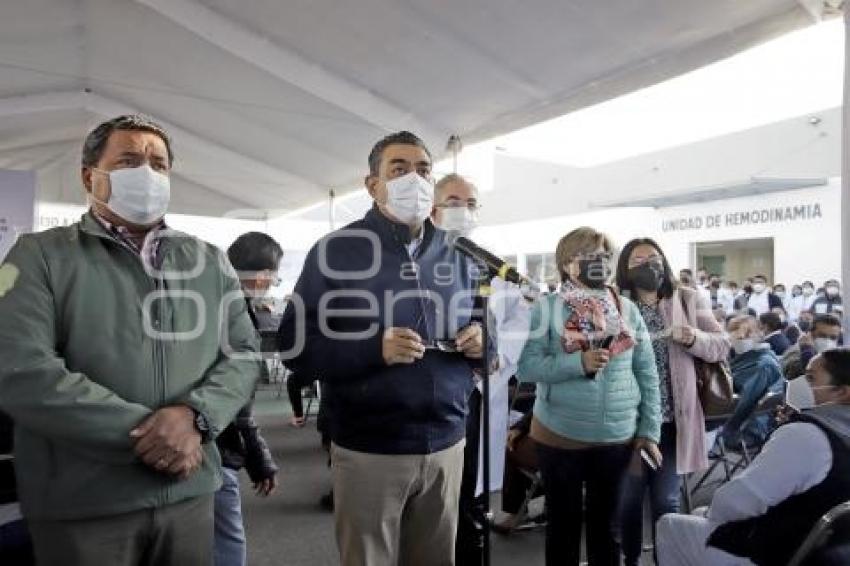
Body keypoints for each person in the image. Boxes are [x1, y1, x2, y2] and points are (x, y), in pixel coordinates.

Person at [0, 115, 262, 565]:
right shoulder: (38, 256)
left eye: (158, 164)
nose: (147, 172)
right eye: (129, 160)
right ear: (90, 176)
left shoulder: (208, 261)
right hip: (85, 500)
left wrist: (197, 419)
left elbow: (243, 353)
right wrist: (156, 436)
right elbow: (21, 371)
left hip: (189, 491)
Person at [277, 131, 485, 566]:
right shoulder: (335, 250)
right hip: (370, 448)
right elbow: (296, 346)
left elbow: (483, 324)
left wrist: (483, 341)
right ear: (372, 185)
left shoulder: (459, 253)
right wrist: (373, 348)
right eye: (400, 169)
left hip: (448, 442)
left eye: (424, 169)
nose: (415, 178)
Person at [517, 227, 661, 566]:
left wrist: (648, 430)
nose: (601, 263)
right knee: (563, 530)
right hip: (559, 436)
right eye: (590, 257)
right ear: (569, 264)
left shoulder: (626, 309)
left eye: (605, 257)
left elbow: (647, 373)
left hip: (616, 437)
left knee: (606, 531)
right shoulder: (548, 308)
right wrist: (577, 362)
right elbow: (527, 368)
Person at [657, 348, 850, 566]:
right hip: (825, 550)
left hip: (777, 551)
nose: (797, 383)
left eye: (810, 378)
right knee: (700, 513)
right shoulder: (818, 432)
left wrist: (791, 431)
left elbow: (736, 502)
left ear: (841, 392)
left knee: (669, 525)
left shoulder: (807, 435)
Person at [430, 173, 531, 565]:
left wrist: (496, 357)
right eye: (454, 201)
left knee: (472, 494)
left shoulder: (492, 264)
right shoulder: (418, 262)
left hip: (482, 390)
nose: (464, 210)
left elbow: (519, 320)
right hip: (437, 389)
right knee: (436, 495)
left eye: (471, 203)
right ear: (434, 208)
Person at [614, 238, 730, 566]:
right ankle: (630, 559)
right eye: (638, 259)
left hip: (672, 423)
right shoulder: (615, 303)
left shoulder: (688, 299)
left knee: (666, 501)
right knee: (628, 500)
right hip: (628, 422)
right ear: (625, 268)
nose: (648, 264)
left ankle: (668, 560)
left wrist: (693, 337)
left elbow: (722, 345)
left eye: (653, 257)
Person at [214, 232, 282, 566]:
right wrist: (258, 457)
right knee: (228, 545)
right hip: (215, 450)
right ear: (261, 276)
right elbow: (238, 405)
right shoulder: (236, 315)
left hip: (195, 443)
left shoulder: (204, 304)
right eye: (274, 277)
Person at [721, 316, 784, 447]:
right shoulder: (747, 357)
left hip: (746, 431)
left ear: (759, 333)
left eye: (746, 336)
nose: (741, 340)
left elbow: (744, 405)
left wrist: (720, 432)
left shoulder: (762, 364)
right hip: (745, 426)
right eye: (737, 338)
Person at [782, 313, 843, 380]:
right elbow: (808, 377)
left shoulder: (836, 356)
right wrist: (806, 350)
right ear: (810, 334)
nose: (828, 341)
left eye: (833, 338)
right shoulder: (794, 353)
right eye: (822, 336)